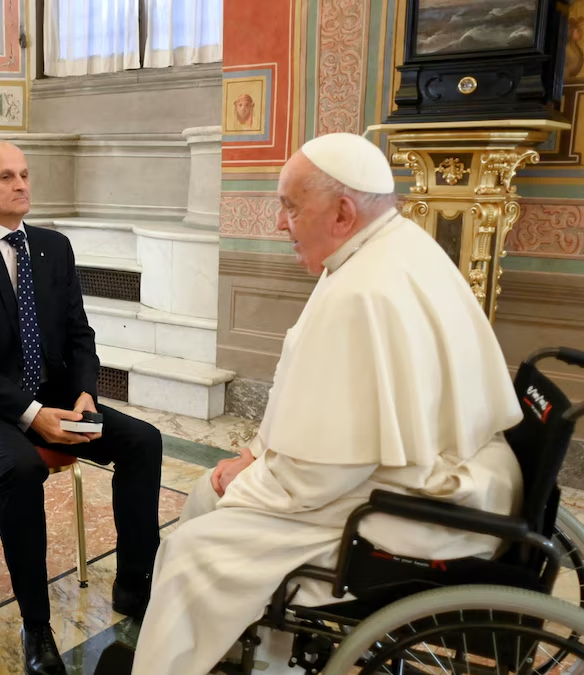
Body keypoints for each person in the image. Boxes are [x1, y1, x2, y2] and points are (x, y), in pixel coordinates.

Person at [129, 132, 525, 674]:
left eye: (290, 206)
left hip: (409, 504)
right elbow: (313, 400)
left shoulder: (364, 291)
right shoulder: (392, 247)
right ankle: (265, 661)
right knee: (210, 493)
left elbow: (320, 475)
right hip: (432, 475)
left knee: (193, 552)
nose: (278, 222)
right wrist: (253, 456)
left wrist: (247, 479)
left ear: (342, 212)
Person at [0, 140, 165, 675]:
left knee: (143, 441)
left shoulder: (53, 247)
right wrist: (32, 415)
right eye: (7, 176)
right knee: (23, 465)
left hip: (55, 398)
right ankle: (36, 626)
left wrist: (84, 393)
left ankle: (134, 584)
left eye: (25, 175)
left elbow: (80, 333)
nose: (21, 185)